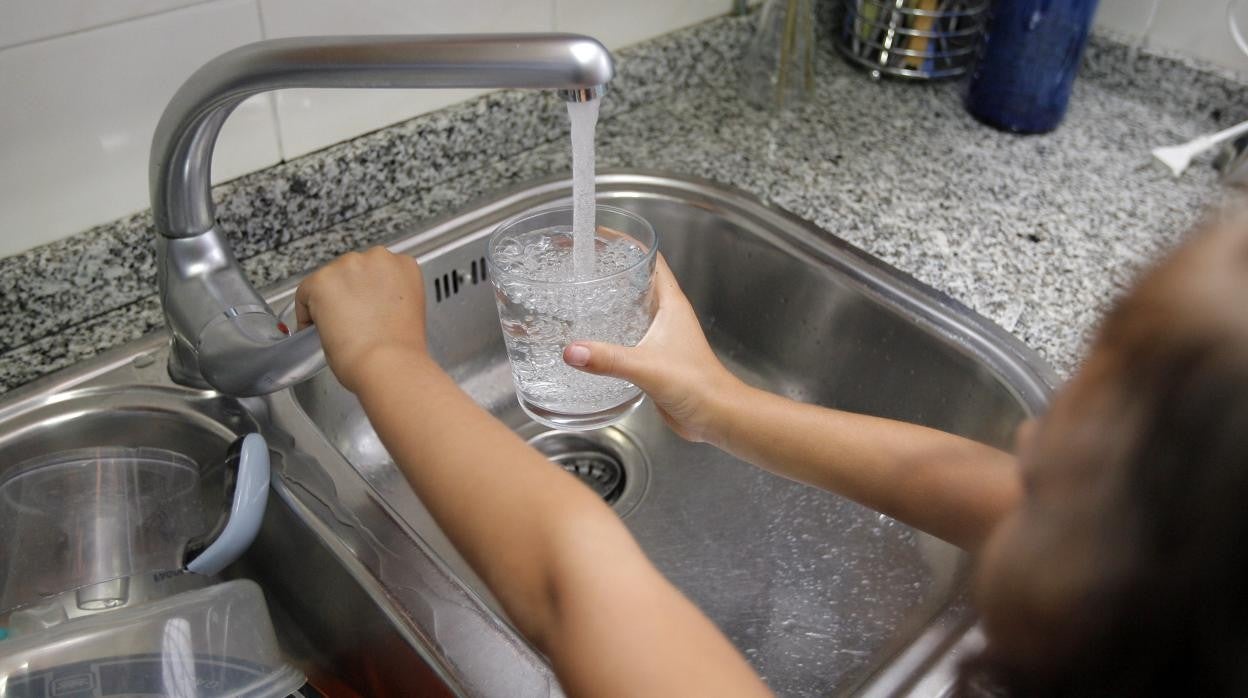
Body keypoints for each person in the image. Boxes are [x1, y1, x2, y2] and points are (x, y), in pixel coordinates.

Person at [294, 211, 1248, 696]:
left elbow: (568, 585)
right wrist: (719, 405)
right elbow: (973, 489)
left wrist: (385, 358)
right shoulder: (1174, 588)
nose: (1028, 438)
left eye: (1085, 431)